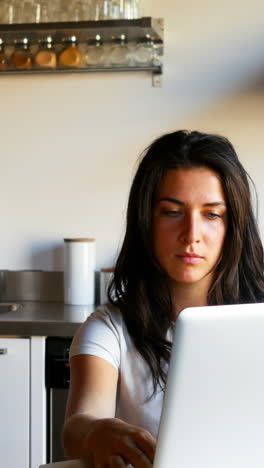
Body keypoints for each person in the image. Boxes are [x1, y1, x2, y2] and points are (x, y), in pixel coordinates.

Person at [63, 130, 264, 467]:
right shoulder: (109, 328)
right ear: (146, 220)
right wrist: (97, 432)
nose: (192, 235)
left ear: (234, 227)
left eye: (212, 215)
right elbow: (77, 426)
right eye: (172, 212)